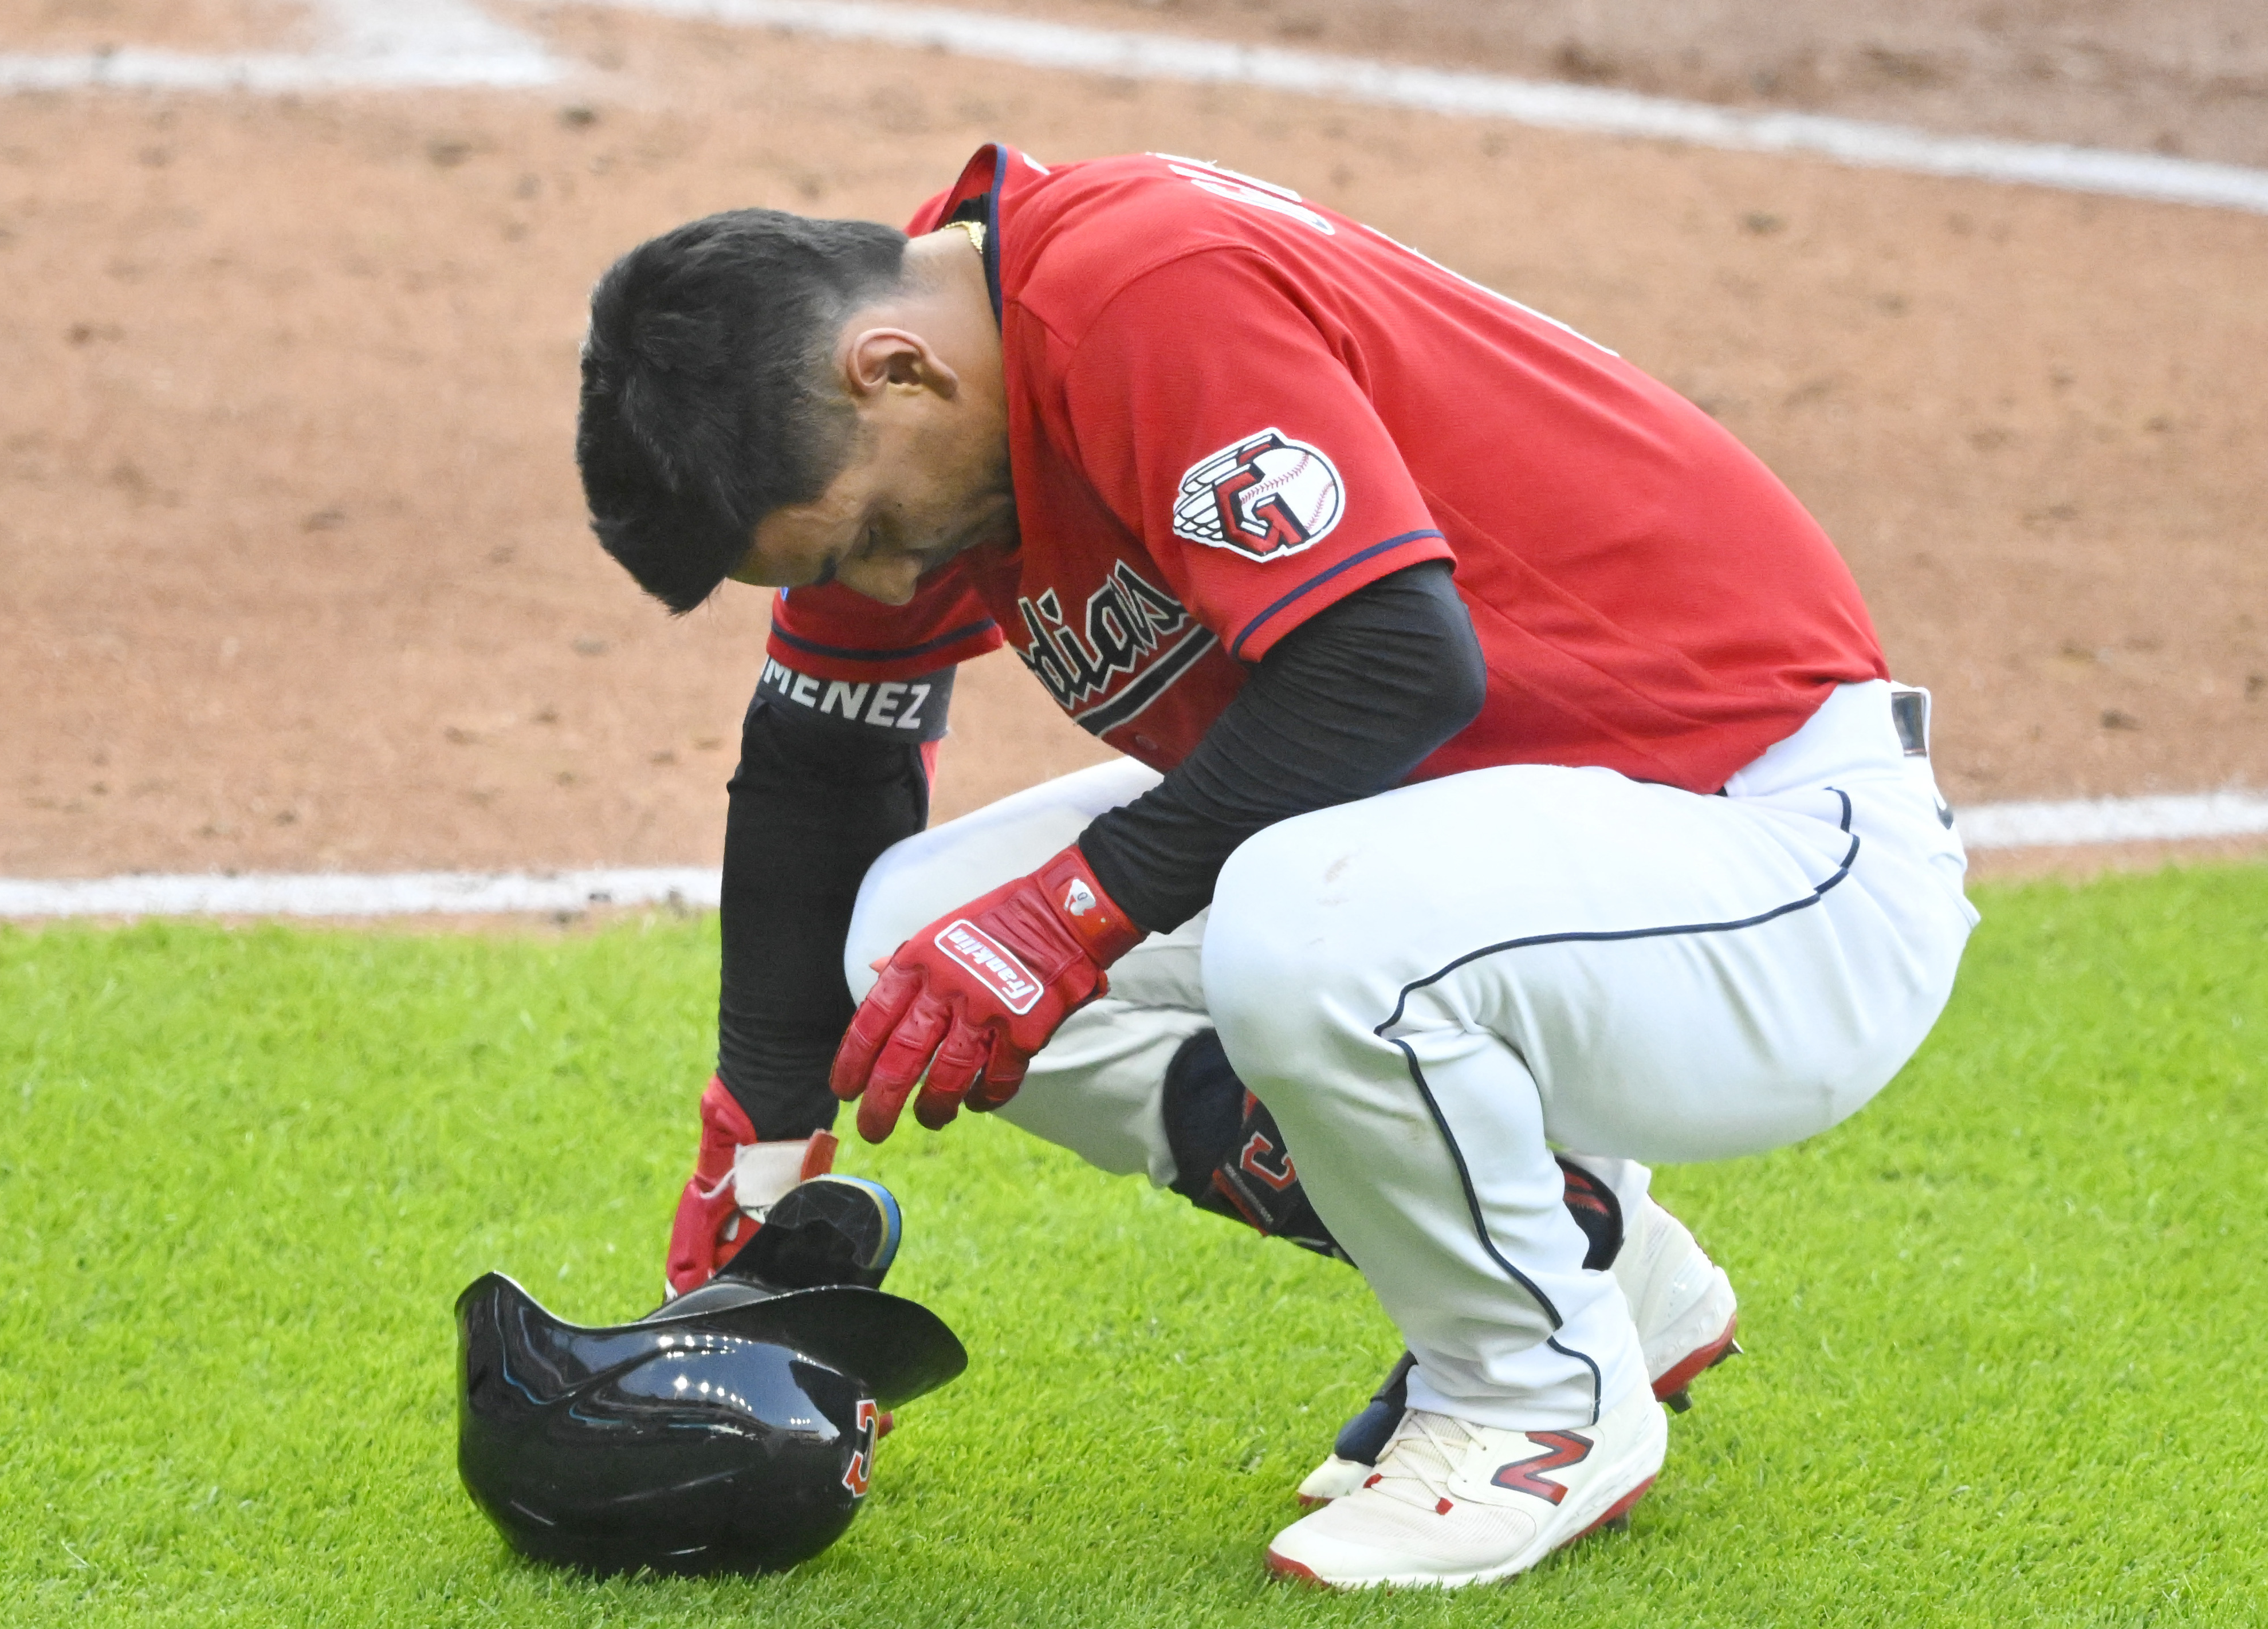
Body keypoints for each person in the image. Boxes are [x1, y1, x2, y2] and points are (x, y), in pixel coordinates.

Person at [573, 145, 1977, 1589]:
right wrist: (760, 1149)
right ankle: (1595, 1263)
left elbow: (1391, 666)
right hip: (1520, 858)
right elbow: (823, 767)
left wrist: (1072, 914)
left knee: (1295, 930)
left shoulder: (1136, 291)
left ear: (894, 370)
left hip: (1774, 860)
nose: (878, 583)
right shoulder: (936, 356)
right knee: (908, 940)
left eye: (865, 531)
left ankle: (1535, 1409)